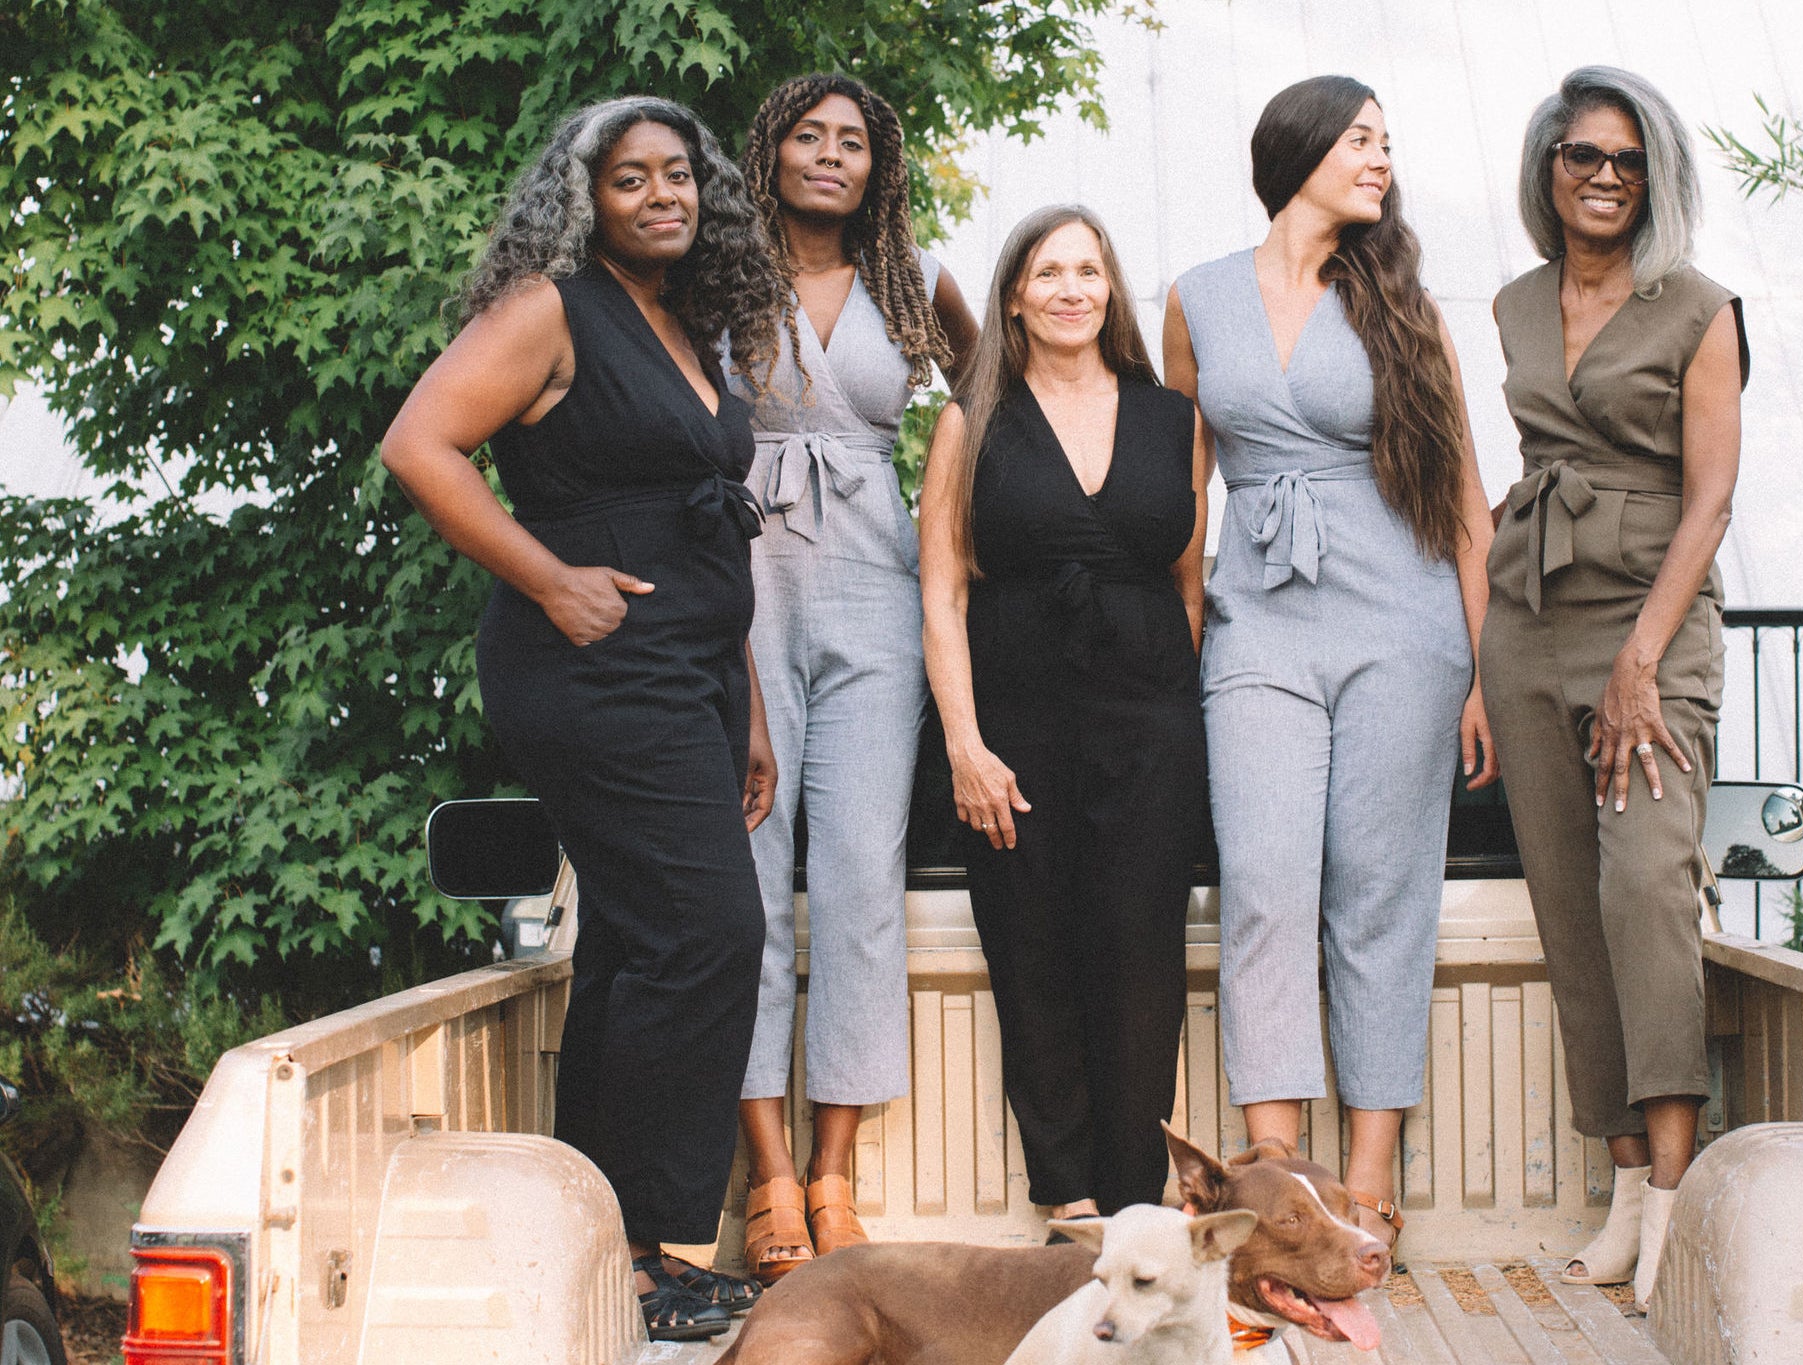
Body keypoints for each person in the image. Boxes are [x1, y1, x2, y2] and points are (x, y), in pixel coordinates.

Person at [379, 96, 787, 1342]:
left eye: (679, 175)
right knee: (712, 933)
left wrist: (750, 702)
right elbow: (418, 444)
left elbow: (703, 524)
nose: (662, 195)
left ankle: (599, 1240)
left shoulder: (688, 320)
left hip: (693, 667)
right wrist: (549, 579)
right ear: (583, 198)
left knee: (633, 944)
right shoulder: (550, 309)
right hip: (592, 665)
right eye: (630, 180)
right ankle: (650, 1246)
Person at [1161, 75, 1498, 1249]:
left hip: (1400, 618)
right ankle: (1275, 1176)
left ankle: (1363, 1184)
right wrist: (1184, 630)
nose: (1378, 160)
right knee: (1260, 886)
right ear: (1297, 151)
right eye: (1360, 139)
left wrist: (1480, 672)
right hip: (1257, 620)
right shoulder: (1197, 299)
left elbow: (1461, 493)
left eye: (1384, 144)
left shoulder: (1401, 299)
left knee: (1378, 893)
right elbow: (1182, 487)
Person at [1479, 66, 1746, 1307]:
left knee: (1643, 883)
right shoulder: (1512, 303)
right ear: (1547, 168)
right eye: (1579, 155)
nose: (1599, 176)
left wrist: (1641, 658)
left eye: (1624, 161)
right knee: (1569, 907)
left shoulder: (1698, 307)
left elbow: (1710, 499)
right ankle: (1625, 1182)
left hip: (1652, 619)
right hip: (1527, 619)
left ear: (1655, 180)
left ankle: (1679, 1202)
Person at [727, 73, 978, 1283]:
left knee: (860, 878)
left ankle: (835, 1174)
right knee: (751, 878)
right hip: (744, 590)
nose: (832, 157)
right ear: (770, 151)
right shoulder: (716, 278)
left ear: (877, 169)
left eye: (855, 144)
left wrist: (960, 530)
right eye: (810, 137)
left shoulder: (912, 282)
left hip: (877, 591)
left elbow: (998, 398)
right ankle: (764, 1174)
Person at [921, 205, 1208, 1222]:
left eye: (1089, 269)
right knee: (1032, 949)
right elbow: (942, 592)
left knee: (1139, 959)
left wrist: (1173, 722)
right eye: (1049, 272)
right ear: (1012, 296)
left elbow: (1186, 586)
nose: (1072, 288)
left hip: (1147, 718)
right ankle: (1065, 1202)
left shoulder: (1174, 418)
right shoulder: (971, 419)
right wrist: (963, 743)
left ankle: (1135, 1203)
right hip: (1014, 715)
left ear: (1109, 290)